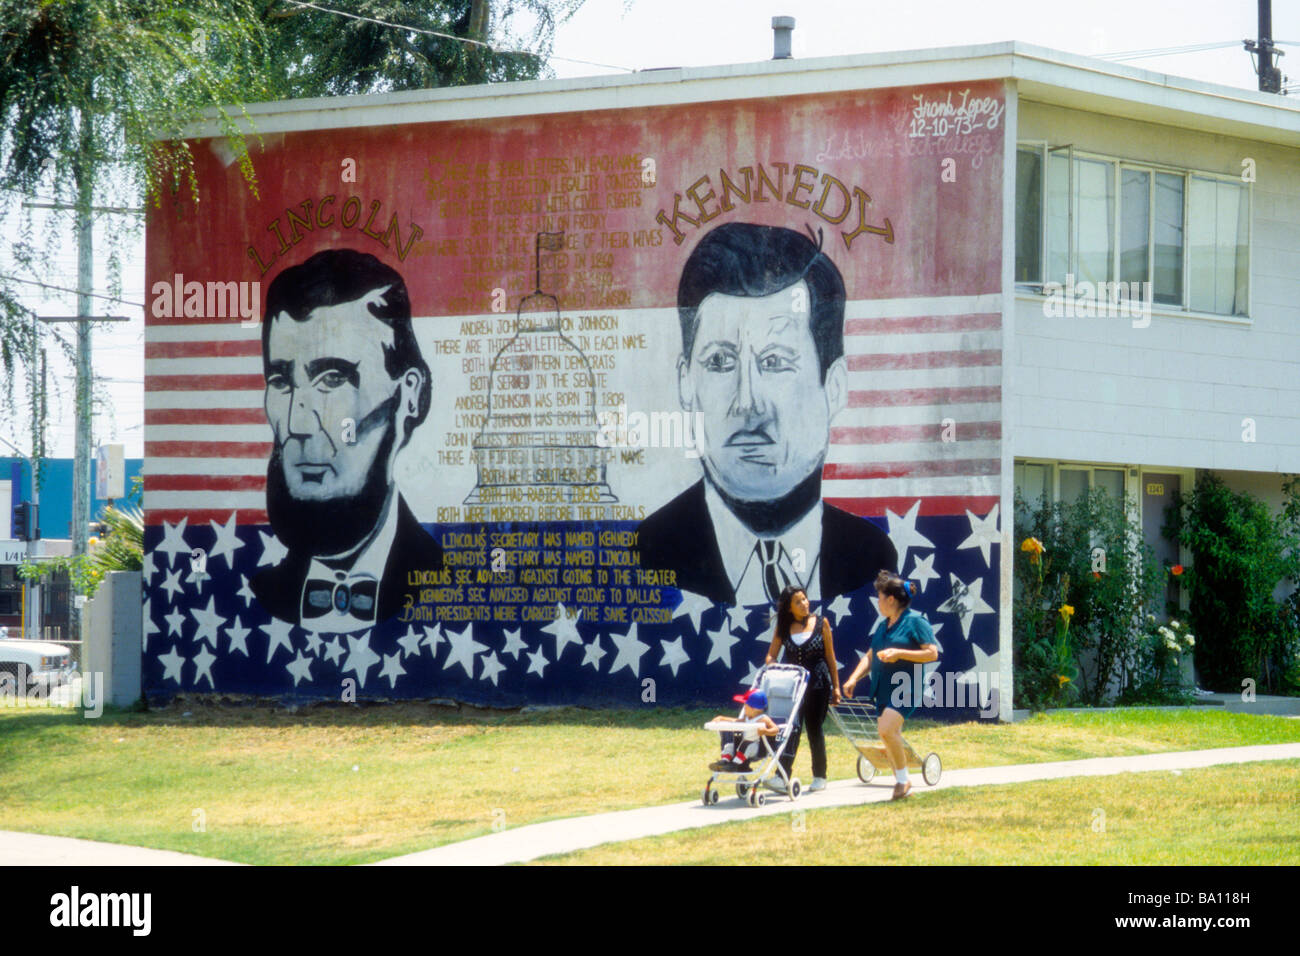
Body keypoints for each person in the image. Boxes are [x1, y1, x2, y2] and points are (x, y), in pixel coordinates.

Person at [638, 222, 896, 607]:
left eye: (775, 362)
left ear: (835, 387)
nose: (748, 403)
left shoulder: (873, 562)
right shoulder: (646, 555)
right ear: (686, 383)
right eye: (720, 361)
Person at [251, 248, 443, 630]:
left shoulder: (443, 579)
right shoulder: (261, 592)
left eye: (333, 379)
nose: (298, 424)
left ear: (407, 398)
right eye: (281, 382)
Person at [843, 571, 940, 799]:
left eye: (879, 597)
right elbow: (870, 656)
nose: (877, 602)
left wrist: (899, 653)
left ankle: (903, 781)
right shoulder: (882, 626)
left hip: (906, 687)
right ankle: (902, 779)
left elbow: (932, 653)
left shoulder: (916, 621)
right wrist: (853, 678)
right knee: (889, 734)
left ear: (891, 599)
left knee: (886, 729)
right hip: (883, 689)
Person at [764, 584, 842, 792]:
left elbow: (830, 657)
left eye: (805, 599)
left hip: (818, 684)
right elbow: (771, 655)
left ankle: (820, 776)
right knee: (790, 728)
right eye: (798, 602)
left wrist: (836, 687)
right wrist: (773, 666)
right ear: (789, 608)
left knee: (814, 728)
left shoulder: (821, 623)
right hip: (793, 687)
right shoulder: (783, 627)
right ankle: (781, 776)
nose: (804, 604)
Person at [709, 688, 778, 772]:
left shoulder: (763, 719)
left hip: (757, 748)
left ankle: (734, 765)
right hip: (742, 746)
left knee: (746, 744)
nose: (744, 708)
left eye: (745, 705)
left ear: (755, 708)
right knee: (730, 746)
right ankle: (724, 762)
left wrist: (765, 731)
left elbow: (776, 729)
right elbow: (736, 721)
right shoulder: (747, 718)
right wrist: (722, 718)